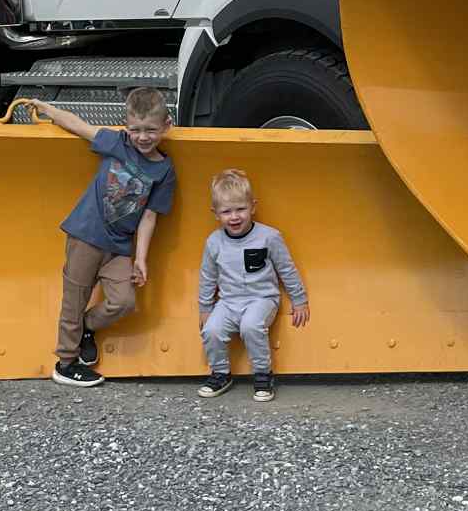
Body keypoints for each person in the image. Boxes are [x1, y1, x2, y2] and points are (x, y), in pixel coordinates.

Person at [33, 87, 175, 388]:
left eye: (150, 130)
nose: (143, 137)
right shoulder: (117, 143)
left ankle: (87, 327)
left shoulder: (164, 170)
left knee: (124, 301)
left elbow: (150, 216)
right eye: (135, 129)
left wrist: (141, 258)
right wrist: (47, 109)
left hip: (120, 247)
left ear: (167, 126)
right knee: (75, 299)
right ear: (126, 127)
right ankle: (66, 363)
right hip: (86, 234)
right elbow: (78, 125)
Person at [195, 167, 308, 402]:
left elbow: (286, 269)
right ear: (215, 213)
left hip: (262, 299)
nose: (234, 217)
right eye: (226, 211)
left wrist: (300, 300)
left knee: (251, 326)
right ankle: (220, 373)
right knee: (212, 330)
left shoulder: (269, 237)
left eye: (241, 209)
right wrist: (205, 309)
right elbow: (208, 277)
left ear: (253, 207)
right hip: (228, 302)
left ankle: (263, 374)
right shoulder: (214, 242)